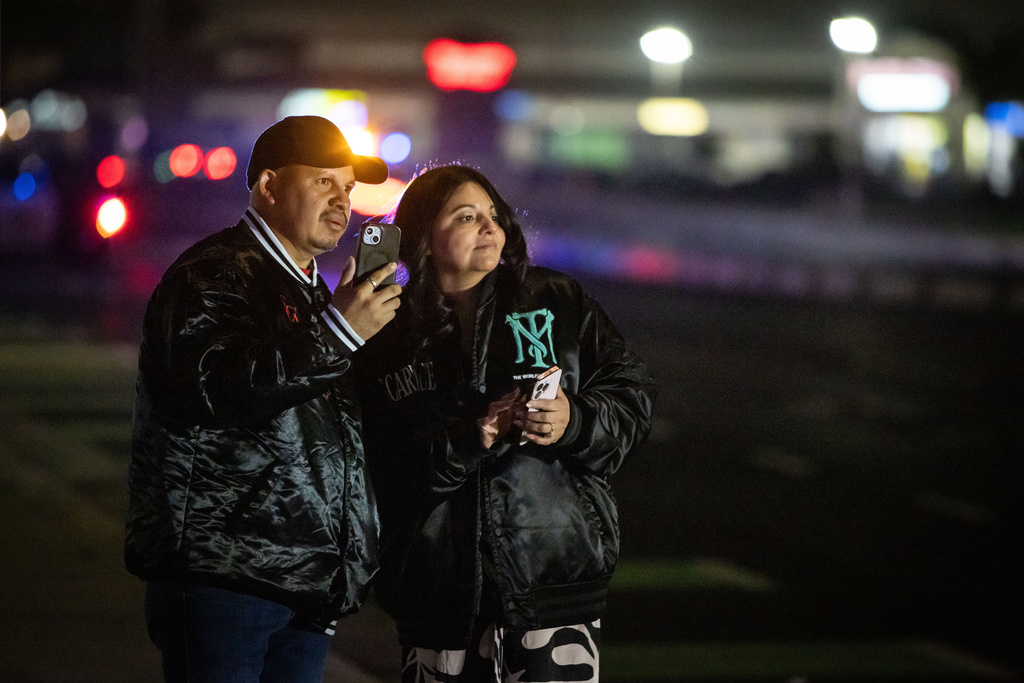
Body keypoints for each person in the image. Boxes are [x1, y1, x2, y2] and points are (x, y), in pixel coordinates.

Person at [124, 115, 402, 682]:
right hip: (226, 579)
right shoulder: (213, 273)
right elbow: (214, 389)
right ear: (269, 186)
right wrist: (338, 334)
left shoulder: (312, 290)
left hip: (306, 582)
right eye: (324, 181)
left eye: (348, 187)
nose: (342, 200)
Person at [358, 165, 657, 682]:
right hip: (437, 596)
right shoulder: (387, 328)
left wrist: (573, 421)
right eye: (467, 216)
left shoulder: (559, 302)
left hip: (552, 586)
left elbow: (634, 400)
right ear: (425, 234)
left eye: (493, 215)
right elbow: (377, 462)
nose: (490, 228)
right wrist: (468, 439)